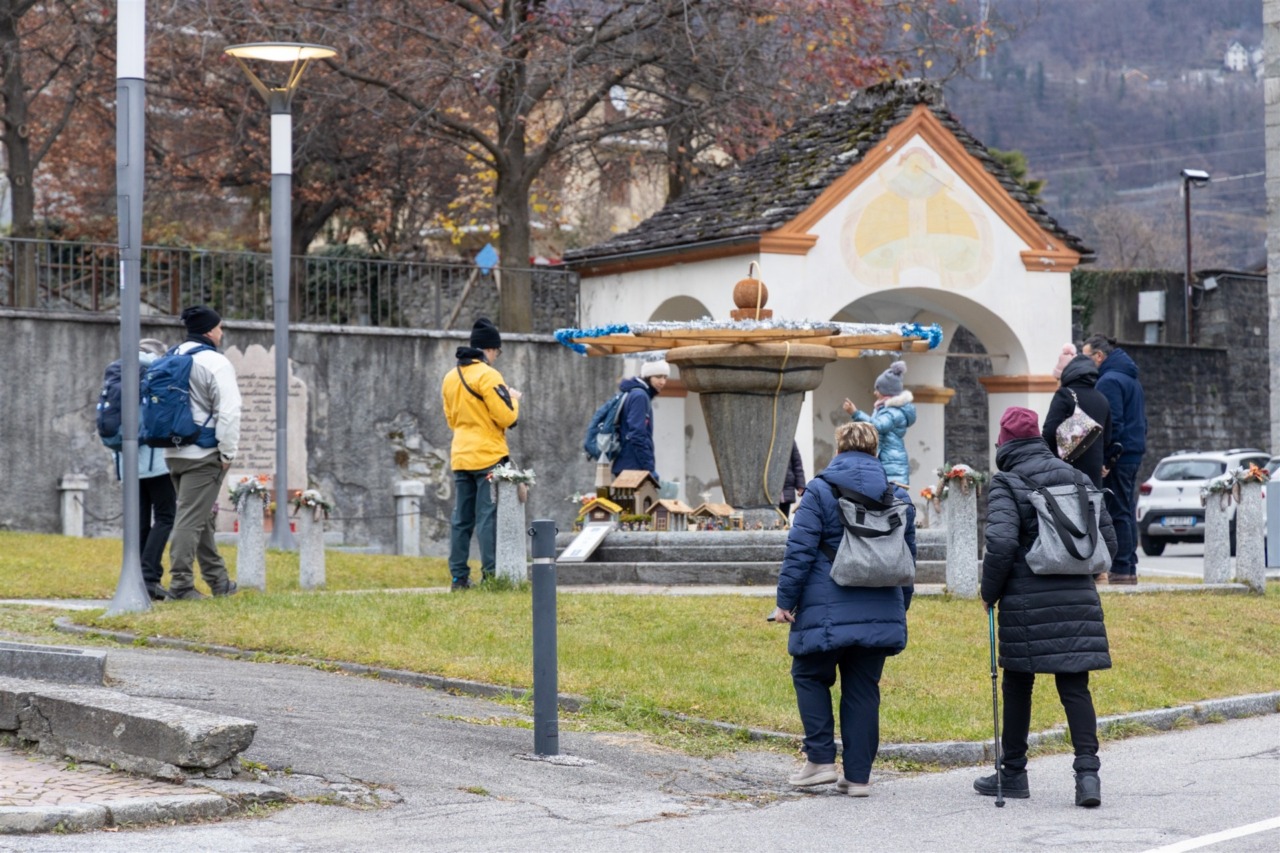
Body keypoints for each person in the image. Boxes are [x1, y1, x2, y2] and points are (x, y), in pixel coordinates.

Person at [975, 406, 1116, 808]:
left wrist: (989, 591)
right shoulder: (1078, 476)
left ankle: (1014, 772)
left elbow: (1001, 545)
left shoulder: (1008, 481)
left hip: (1025, 600)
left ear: (1003, 442)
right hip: (1077, 597)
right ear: (1037, 437)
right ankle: (1087, 776)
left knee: (1018, 682)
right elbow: (1108, 541)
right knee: (1074, 685)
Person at [772, 421, 915, 797]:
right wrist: (901, 609)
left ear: (838, 450)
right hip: (882, 605)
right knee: (863, 689)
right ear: (875, 451)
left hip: (825, 606)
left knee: (809, 674)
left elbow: (799, 551)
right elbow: (908, 563)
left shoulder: (819, 490)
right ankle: (858, 777)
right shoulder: (897, 495)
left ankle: (819, 760)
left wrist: (785, 602)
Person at [166, 306, 242, 600]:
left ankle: (219, 581)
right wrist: (227, 454)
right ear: (210, 330)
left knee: (200, 517)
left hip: (173, 451)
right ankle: (181, 586)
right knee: (190, 518)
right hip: (203, 453)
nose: (222, 332)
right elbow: (229, 412)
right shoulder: (215, 362)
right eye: (220, 327)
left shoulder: (174, 355)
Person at [441, 317, 521, 590]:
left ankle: (458, 577)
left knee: (461, 519)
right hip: (488, 457)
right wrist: (514, 400)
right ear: (489, 349)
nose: (497, 357)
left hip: (461, 455)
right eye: (497, 351)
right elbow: (506, 417)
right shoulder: (489, 375)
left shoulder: (450, 377)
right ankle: (491, 575)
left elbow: (451, 419)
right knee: (487, 517)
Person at [112, 338, 177, 601]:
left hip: (125, 458)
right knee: (166, 516)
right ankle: (149, 576)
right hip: (154, 458)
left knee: (138, 519)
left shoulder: (119, 369)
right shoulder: (156, 369)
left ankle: (137, 576)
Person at [1081, 334, 1146, 586]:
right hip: (1134, 449)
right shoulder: (1130, 378)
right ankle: (1128, 565)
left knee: (1117, 509)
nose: (1084, 361)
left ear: (1099, 356)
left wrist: (1107, 458)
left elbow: (1113, 423)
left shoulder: (1108, 381)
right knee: (1126, 508)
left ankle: (1121, 567)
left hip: (1121, 453)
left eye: (1086, 356)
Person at [1042, 344, 1114, 490]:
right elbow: (1107, 439)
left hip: (1065, 472)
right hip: (1093, 475)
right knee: (1091, 511)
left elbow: (1049, 431)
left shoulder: (1064, 395)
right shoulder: (1102, 399)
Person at [842, 360, 916, 485]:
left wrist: (855, 413)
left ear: (887, 391)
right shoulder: (887, 409)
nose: (875, 393)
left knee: (891, 499)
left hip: (891, 465)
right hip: (887, 461)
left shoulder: (893, 412)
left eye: (878, 389)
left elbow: (878, 426)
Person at [611, 359, 668, 480]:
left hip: (628, 465)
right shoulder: (640, 396)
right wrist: (649, 469)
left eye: (665, 377)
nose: (663, 382)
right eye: (658, 377)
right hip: (633, 468)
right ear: (647, 376)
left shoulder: (636, 394)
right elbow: (637, 434)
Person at [778, 441, 806, 520]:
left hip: (785, 490)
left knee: (783, 519)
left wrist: (801, 485)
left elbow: (797, 463)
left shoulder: (789, 440)